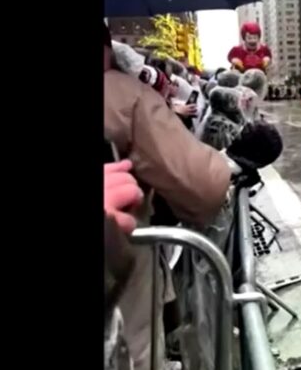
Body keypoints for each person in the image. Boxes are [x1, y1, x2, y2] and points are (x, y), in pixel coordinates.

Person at [103, 24, 232, 370]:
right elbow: (200, 183)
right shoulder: (124, 94)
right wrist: (226, 169)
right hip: (121, 280)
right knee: (137, 352)